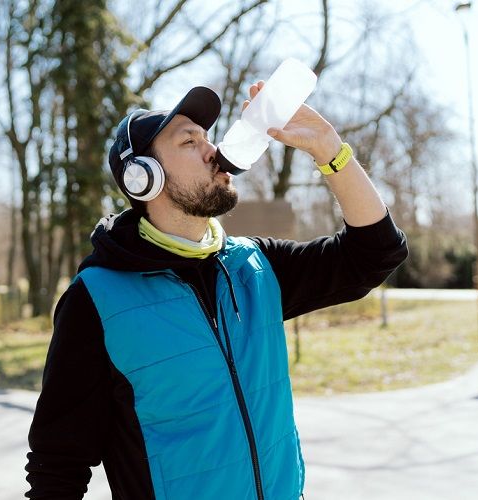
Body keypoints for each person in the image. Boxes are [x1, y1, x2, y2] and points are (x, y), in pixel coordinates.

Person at [25, 81, 408, 499]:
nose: (214, 151)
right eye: (189, 142)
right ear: (142, 177)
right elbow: (57, 466)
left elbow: (376, 253)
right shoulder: (97, 299)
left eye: (207, 138)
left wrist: (330, 150)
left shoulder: (256, 267)